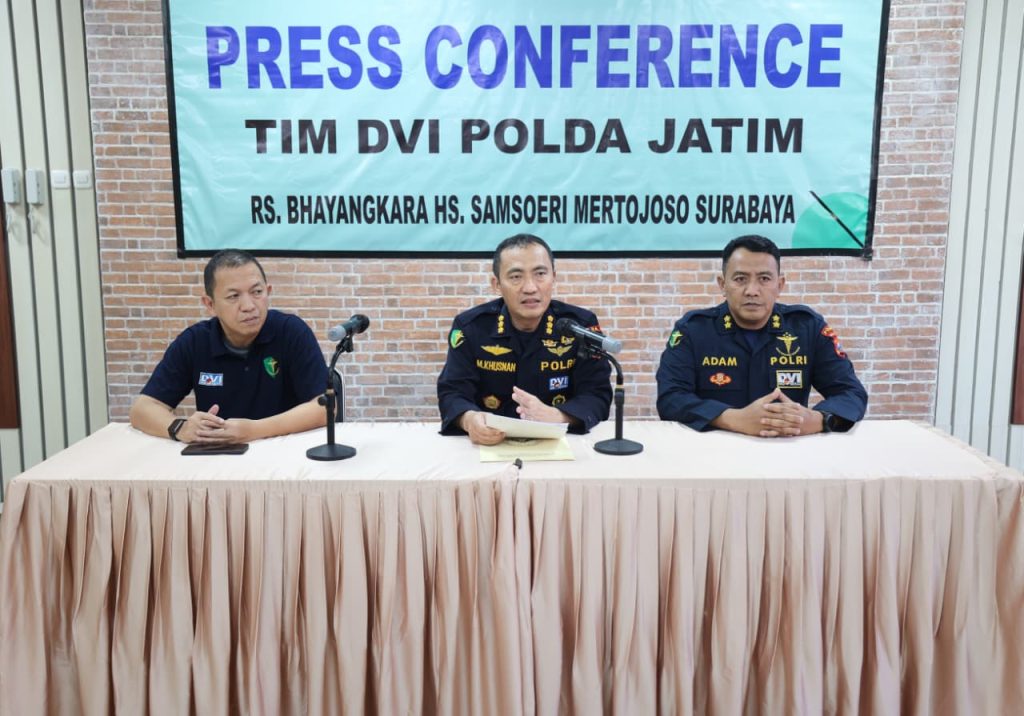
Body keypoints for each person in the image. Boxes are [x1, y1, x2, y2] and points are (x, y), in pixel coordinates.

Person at [656, 234, 867, 436]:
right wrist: (733, 419)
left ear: (780, 285)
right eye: (740, 279)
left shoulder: (807, 328)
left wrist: (818, 420)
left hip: (787, 447)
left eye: (764, 279)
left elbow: (851, 393)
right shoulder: (693, 331)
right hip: (715, 452)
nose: (752, 290)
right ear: (723, 284)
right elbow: (671, 398)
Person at [129, 249, 327, 444]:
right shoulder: (195, 341)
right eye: (233, 296)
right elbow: (143, 408)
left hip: (284, 450)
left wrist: (253, 431)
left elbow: (325, 408)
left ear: (268, 291)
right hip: (219, 455)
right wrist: (180, 428)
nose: (249, 306)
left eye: (257, 292)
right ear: (210, 304)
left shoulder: (291, 332)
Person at [437, 233, 612, 444]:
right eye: (516, 277)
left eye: (540, 274)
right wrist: (469, 420)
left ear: (554, 277)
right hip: (489, 445)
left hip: (561, 444)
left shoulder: (580, 327)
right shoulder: (471, 328)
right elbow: (452, 392)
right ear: (496, 284)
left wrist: (557, 416)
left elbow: (597, 393)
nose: (530, 287)